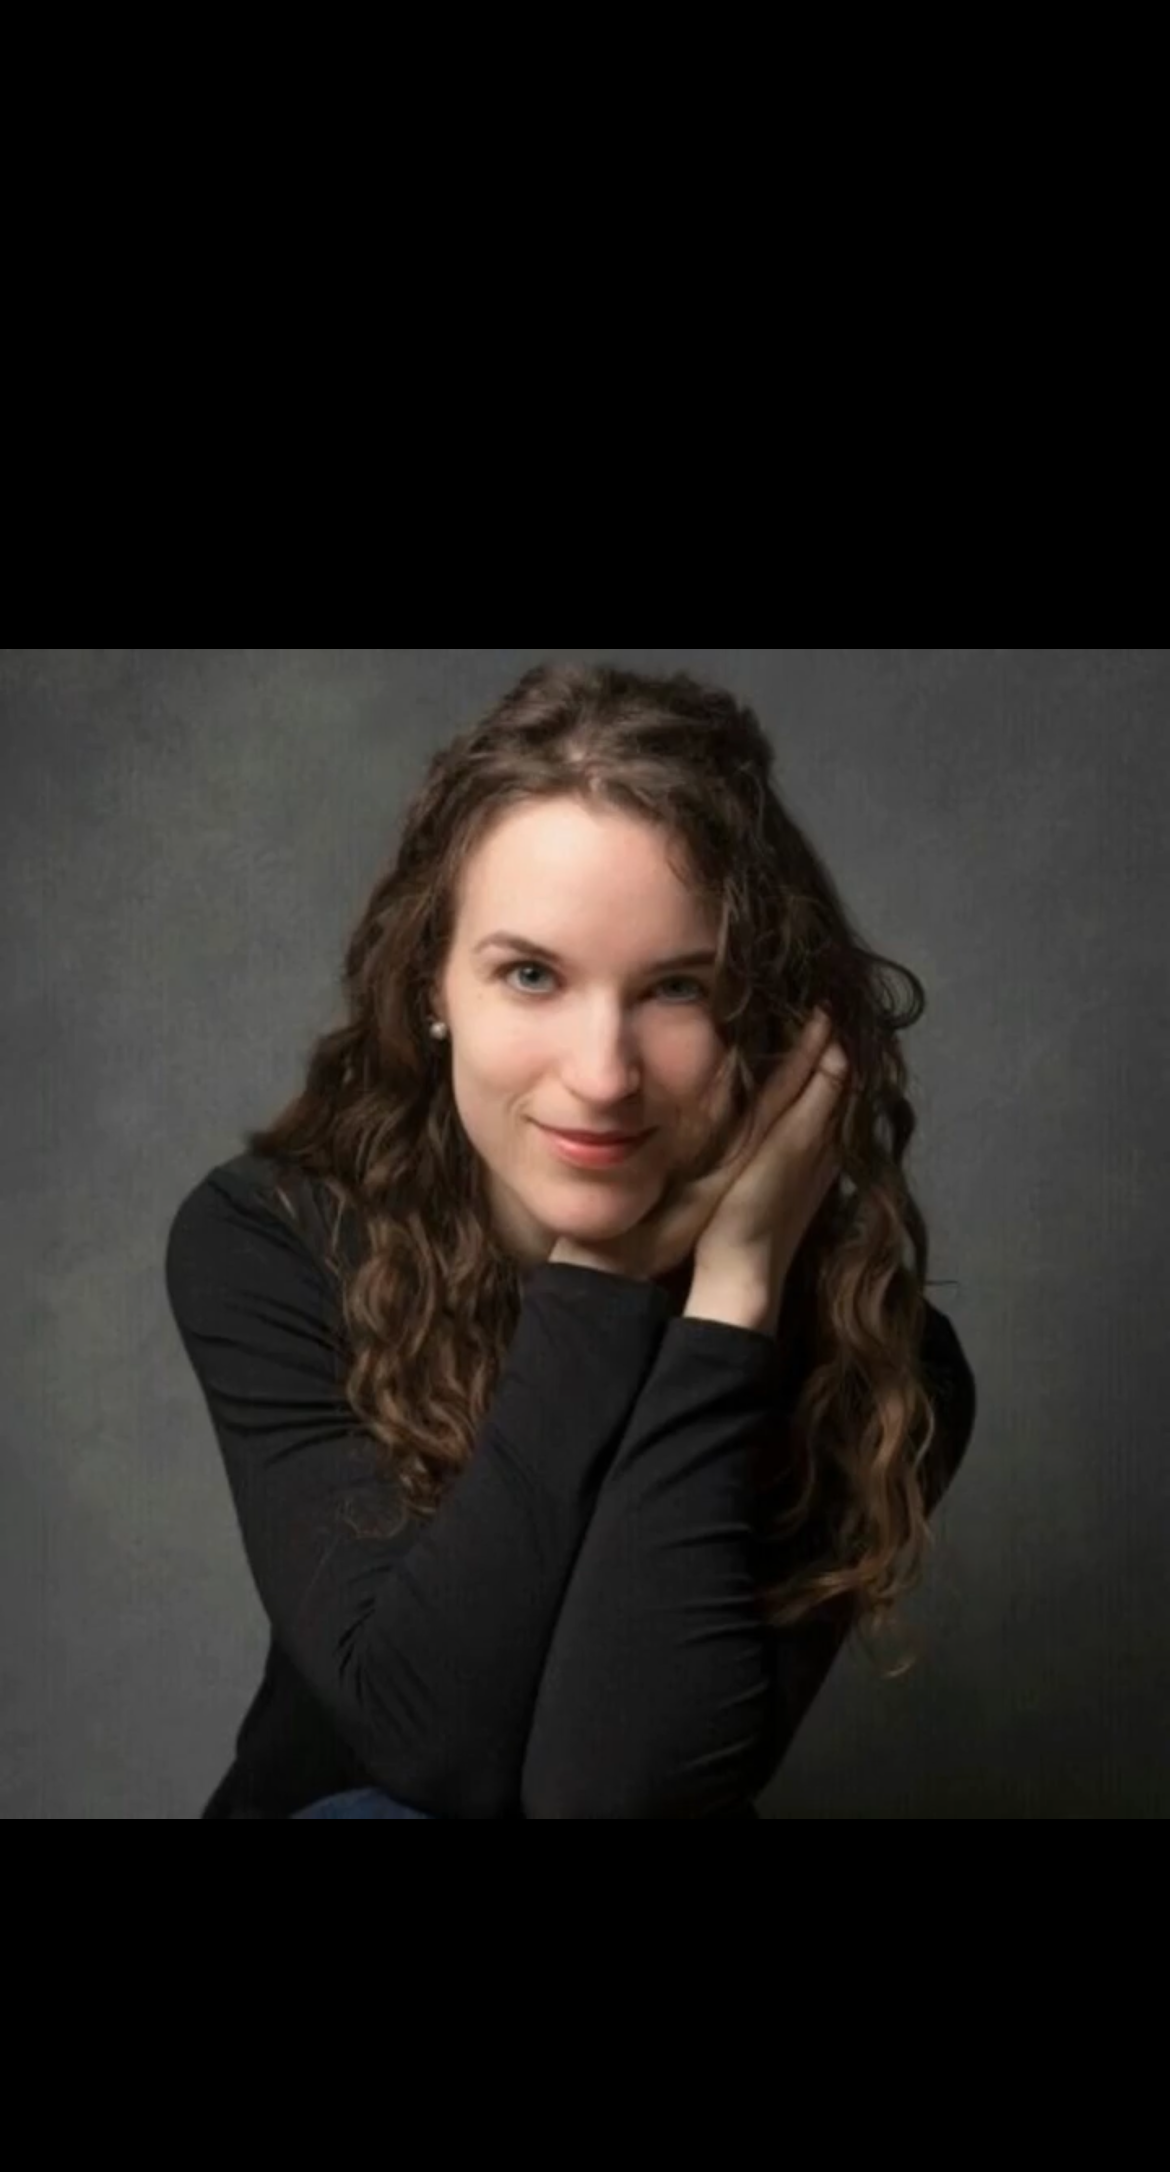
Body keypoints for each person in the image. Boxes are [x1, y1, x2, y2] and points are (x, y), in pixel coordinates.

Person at [165, 661, 977, 1820]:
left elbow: (614, 1796)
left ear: (771, 1015)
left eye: (678, 988)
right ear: (432, 984)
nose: (601, 1076)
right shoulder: (274, 1243)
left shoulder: (884, 1358)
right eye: (532, 974)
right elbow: (426, 1749)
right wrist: (603, 1279)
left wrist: (731, 1300)